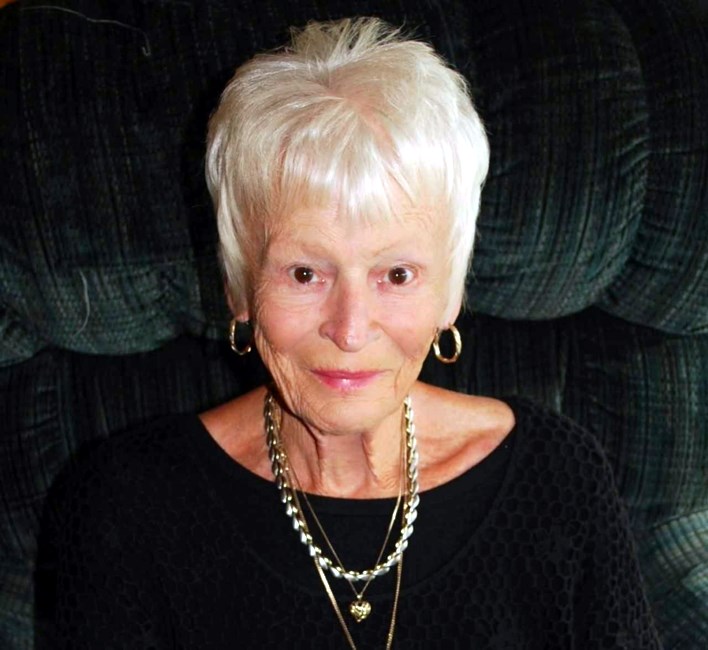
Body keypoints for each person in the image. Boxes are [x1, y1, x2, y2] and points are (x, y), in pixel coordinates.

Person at [36, 17, 661, 649]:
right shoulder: (126, 504)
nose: (351, 329)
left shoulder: (559, 479)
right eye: (305, 273)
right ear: (238, 287)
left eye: (397, 274)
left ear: (450, 293)